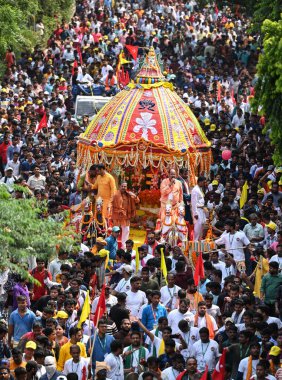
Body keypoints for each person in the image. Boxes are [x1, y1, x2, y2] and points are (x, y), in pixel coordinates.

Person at [110, 182, 139, 248]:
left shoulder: (129, 194)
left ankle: (124, 246)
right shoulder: (115, 194)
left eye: (125, 186)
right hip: (117, 215)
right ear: (120, 186)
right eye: (122, 186)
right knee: (116, 230)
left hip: (125, 216)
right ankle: (114, 245)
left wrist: (133, 195)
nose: (123, 188)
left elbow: (137, 201)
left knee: (126, 230)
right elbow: (110, 202)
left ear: (126, 187)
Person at [191, 176, 207, 241]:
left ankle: (199, 243)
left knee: (201, 227)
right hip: (198, 210)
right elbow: (193, 202)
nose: (204, 184)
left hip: (201, 210)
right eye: (203, 182)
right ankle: (195, 243)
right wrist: (195, 213)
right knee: (197, 228)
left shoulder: (199, 189)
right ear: (199, 182)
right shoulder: (195, 190)